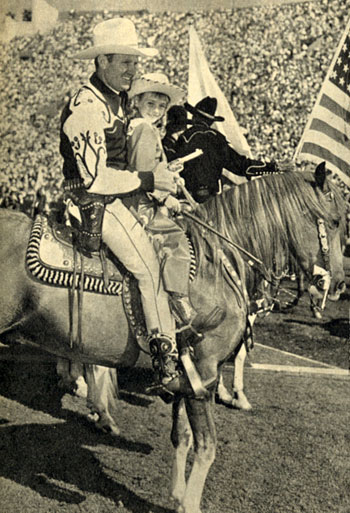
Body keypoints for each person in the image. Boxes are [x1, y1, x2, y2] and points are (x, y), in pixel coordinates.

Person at [59, 18, 181, 387]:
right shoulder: (86, 106)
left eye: (135, 62)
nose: (133, 70)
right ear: (102, 62)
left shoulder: (113, 99)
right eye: (125, 62)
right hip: (93, 200)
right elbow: (96, 178)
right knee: (150, 270)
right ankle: (165, 357)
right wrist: (150, 179)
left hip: (111, 195)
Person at [126, 73, 196, 327]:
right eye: (150, 104)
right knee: (176, 242)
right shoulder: (144, 129)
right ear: (138, 102)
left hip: (140, 199)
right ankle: (178, 303)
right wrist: (167, 199)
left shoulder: (142, 127)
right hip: (141, 205)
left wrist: (170, 176)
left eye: (161, 106)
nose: (155, 110)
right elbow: (143, 172)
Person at [173, 96, 280, 203]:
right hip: (212, 201)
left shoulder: (184, 138)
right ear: (211, 121)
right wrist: (272, 167)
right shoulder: (218, 139)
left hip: (186, 199)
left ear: (194, 116)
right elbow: (243, 166)